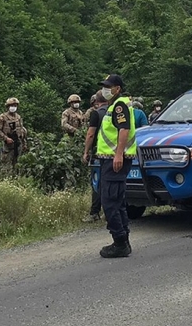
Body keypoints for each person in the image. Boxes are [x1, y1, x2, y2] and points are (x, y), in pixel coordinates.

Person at [95, 74, 136, 258]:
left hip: (114, 160)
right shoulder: (116, 105)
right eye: (104, 86)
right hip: (113, 159)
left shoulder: (119, 105)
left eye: (108, 86)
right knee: (117, 201)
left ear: (117, 88)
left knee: (109, 201)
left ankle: (119, 242)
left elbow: (124, 129)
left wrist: (118, 154)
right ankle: (123, 240)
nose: (105, 89)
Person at [82, 90, 108, 223]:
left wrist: (86, 152)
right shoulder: (114, 111)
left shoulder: (96, 114)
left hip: (99, 153)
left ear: (96, 102)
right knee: (111, 183)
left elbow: (90, 134)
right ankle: (110, 212)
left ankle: (94, 212)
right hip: (115, 153)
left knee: (97, 182)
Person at [0, 97, 27, 175]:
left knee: (17, 163)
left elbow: (22, 130)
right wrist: (6, 138)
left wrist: (24, 143)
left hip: (18, 143)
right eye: (11, 105)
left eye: (15, 105)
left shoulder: (18, 117)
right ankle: (5, 181)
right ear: (7, 106)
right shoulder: (2, 117)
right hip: (8, 144)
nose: (13, 107)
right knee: (6, 163)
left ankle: (16, 180)